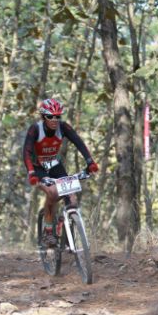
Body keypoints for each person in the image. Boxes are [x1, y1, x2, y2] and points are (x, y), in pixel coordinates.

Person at [22, 98, 99, 247]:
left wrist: (90, 162)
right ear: (43, 116)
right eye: (51, 116)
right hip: (38, 168)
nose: (55, 120)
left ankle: (66, 235)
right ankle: (48, 232)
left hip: (54, 166)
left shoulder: (63, 127)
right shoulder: (35, 129)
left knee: (72, 198)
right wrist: (31, 172)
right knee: (52, 193)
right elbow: (26, 152)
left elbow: (78, 142)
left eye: (58, 116)